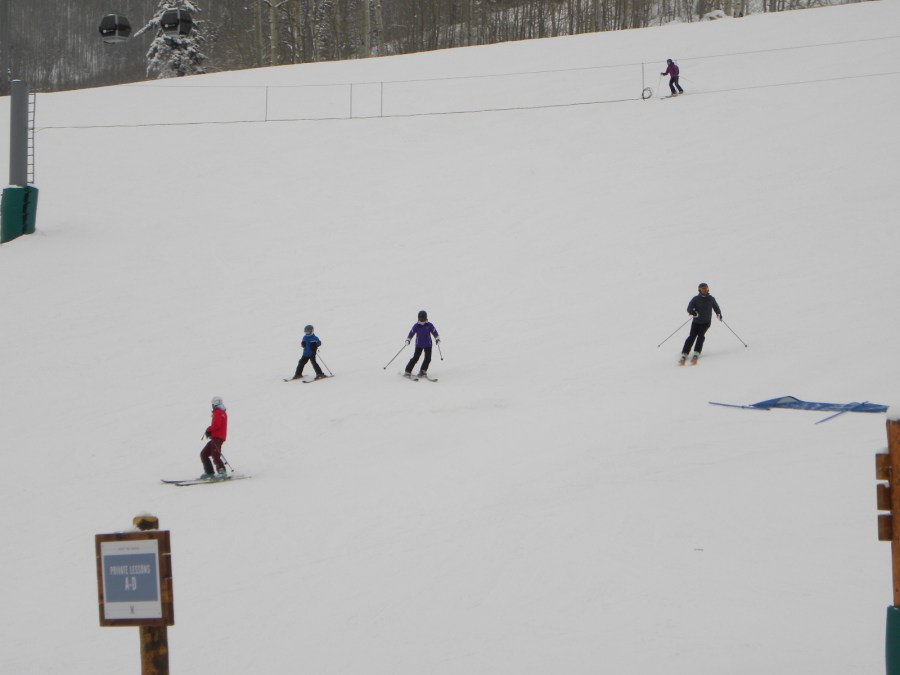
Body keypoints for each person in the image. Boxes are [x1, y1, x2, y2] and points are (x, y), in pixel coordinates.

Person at [681, 283, 722, 364]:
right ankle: (684, 353)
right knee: (692, 336)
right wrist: (692, 312)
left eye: (706, 289)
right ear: (699, 290)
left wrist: (718, 313)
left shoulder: (711, 299)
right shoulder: (695, 299)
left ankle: (696, 352)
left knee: (700, 336)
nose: (705, 290)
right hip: (696, 322)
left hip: (706, 322)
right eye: (703, 289)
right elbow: (689, 308)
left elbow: (716, 307)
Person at [404, 310, 440, 378]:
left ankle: (423, 371)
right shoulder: (416, 326)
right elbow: (411, 333)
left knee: (428, 358)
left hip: (428, 344)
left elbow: (434, 332)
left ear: (426, 317)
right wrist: (408, 339)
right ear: (418, 318)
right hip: (419, 345)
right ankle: (408, 370)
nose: (422, 320)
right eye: (421, 318)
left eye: (423, 318)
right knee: (415, 358)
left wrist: (437, 338)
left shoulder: (429, 325)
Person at [200, 396, 228, 479]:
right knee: (204, 453)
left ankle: (222, 472)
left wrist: (208, 430)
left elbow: (217, 425)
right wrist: (210, 432)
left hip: (217, 437)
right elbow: (217, 425)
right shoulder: (220, 412)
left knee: (215, 454)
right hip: (216, 437)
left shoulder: (218, 412)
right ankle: (209, 472)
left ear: (214, 404)